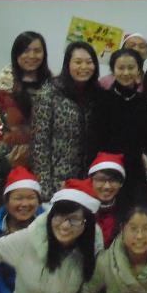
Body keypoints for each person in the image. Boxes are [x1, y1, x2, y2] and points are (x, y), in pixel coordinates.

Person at [32, 41, 101, 199]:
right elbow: (39, 143)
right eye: (78, 62)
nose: (84, 67)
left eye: (89, 62)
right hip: (58, 180)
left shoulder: (97, 94)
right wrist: (44, 186)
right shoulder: (49, 93)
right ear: (67, 64)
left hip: (89, 179)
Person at [89, 47, 147, 191]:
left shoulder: (143, 101)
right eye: (121, 68)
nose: (126, 73)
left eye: (131, 68)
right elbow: (93, 140)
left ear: (138, 70)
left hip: (136, 169)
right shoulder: (102, 99)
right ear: (113, 70)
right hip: (107, 170)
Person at [0, 31, 52, 170]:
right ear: (16, 54)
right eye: (25, 51)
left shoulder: (52, 84)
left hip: (43, 159)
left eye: (37, 51)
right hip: (8, 158)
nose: (31, 56)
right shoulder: (3, 84)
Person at [88, 153, 127, 248]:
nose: (107, 186)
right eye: (101, 180)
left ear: (121, 183)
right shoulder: (80, 210)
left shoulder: (127, 213)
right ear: (91, 181)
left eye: (113, 180)